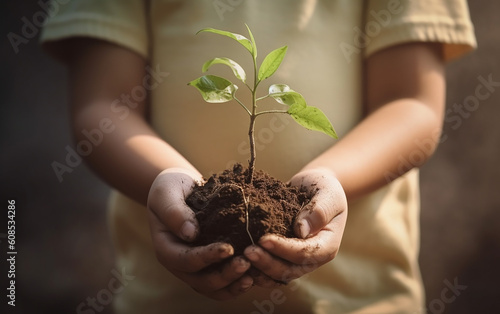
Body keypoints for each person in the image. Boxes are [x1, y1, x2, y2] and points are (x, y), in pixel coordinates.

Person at [41, 0, 476, 313]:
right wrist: (167, 177)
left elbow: (413, 103)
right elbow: (103, 108)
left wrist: (332, 177)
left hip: (359, 301)